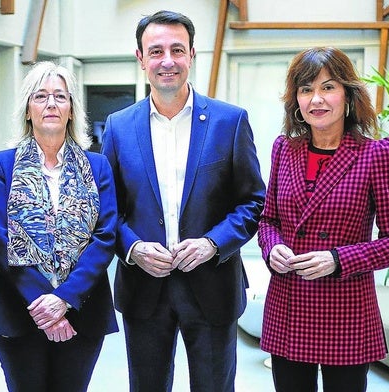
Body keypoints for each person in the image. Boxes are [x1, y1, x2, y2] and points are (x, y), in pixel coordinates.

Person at [101, 10, 265, 392]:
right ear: (141, 59)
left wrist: (213, 243)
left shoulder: (230, 121)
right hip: (144, 287)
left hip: (213, 285)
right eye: (155, 51)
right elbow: (107, 209)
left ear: (192, 54)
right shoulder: (119, 126)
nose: (167, 60)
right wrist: (134, 248)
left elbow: (253, 201)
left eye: (177, 49)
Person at [257, 46, 389, 392]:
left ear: (348, 94)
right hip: (289, 307)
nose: (317, 99)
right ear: (295, 100)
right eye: (306, 89)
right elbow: (268, 220)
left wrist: (337, 259)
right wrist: (272, 249)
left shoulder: (377, 153)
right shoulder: (284, 149)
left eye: (328, 87)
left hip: (345, 311)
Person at [0, 61, 118, 392]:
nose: (51, 104)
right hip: (19, 310)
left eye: (60, 96)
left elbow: (105, 235)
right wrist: (45, 304)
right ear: (28, 110)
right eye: (40, 96)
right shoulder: (3, 164)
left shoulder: (96, 165)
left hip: (81, 311)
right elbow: (2, 238)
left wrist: (65, 299)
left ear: (72, 109)